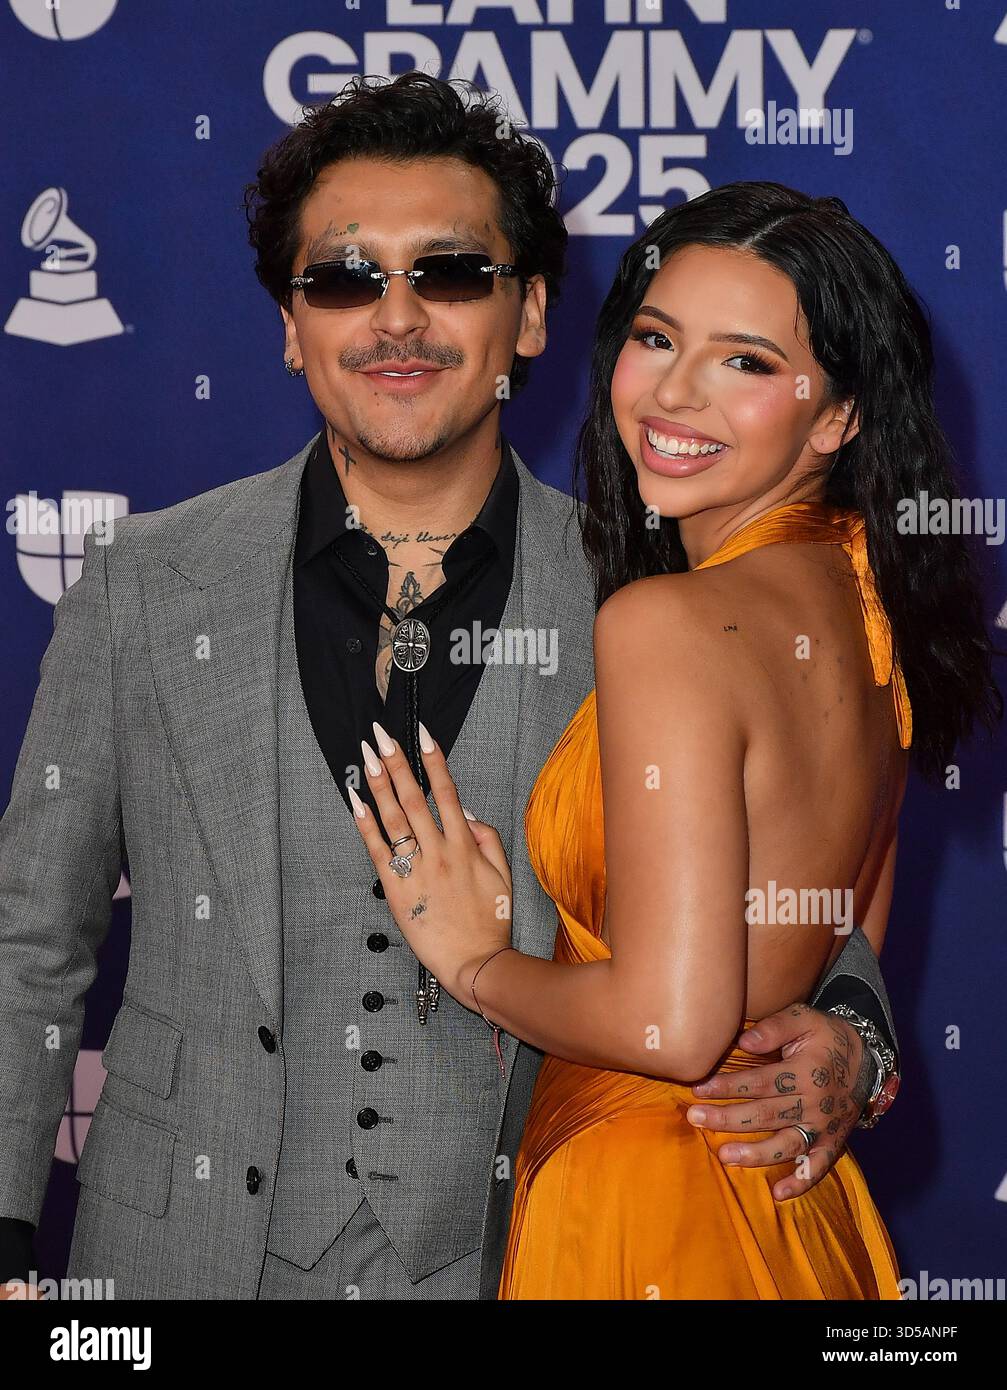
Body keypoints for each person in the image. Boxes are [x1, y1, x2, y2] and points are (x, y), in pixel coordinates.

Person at [0, 77, 900, 1302]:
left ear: (528, 315)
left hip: (513, 1254)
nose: (397, 318)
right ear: (288, 324)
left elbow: (806, 854)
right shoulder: (146, 582)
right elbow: (30, 941)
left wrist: (858, 1031)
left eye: (452, 274)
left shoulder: (655, 597)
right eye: (344, 279)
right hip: (173, 1261)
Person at [346, 179, 1002, 1299]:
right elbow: (841, 925)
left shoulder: (664, 621)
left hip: (645, 1205)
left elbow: (671, 1021)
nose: (674, 393)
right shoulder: (864, 599)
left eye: (745, 362)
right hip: (785, 1204)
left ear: (836, 416)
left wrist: (474, 962)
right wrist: (854, 1034)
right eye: (656, 337)